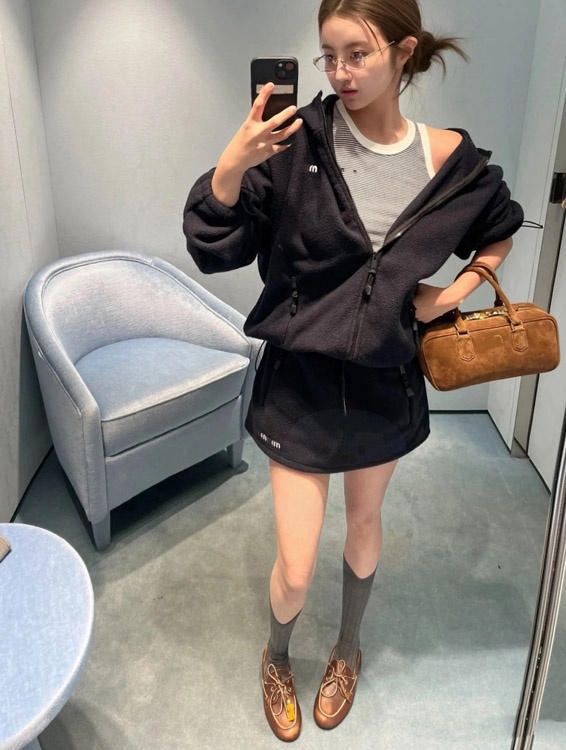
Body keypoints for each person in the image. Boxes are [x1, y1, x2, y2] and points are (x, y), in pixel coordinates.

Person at [183, 0, 524, 741]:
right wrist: (233, 164)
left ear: (403, 52)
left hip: (383, 382)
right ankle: (277, 656)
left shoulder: (449, 161)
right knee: (296, 565)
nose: (339, 72)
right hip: (298, 385)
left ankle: (347, 650)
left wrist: (452, 294)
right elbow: (215, 245)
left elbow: (500, 228)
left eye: (357, 54)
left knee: (365, 525)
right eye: (328, 55)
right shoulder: (294, 142)